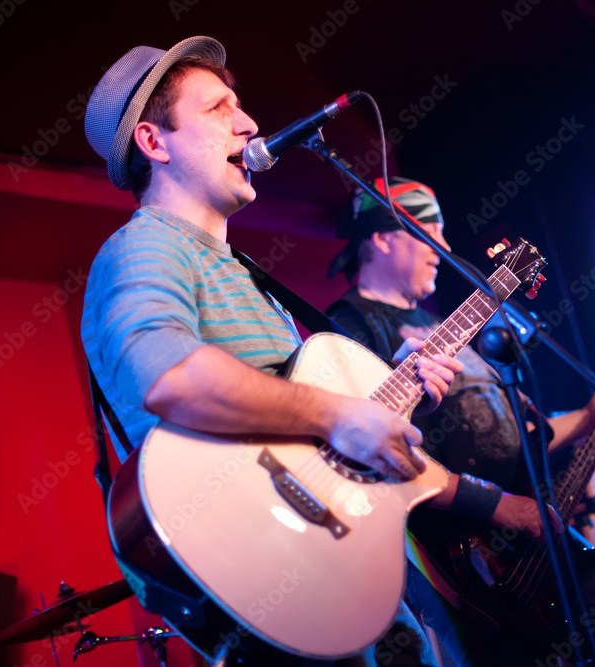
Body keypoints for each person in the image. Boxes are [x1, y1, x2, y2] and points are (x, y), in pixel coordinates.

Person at [81, 38, 463, 666]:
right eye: (218, 109)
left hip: (327, 556)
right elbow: (171, 376)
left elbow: (293, 426)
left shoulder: (238, 270)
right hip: (264, 563)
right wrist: (340, 415)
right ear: (154, 143)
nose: (251, 123)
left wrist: (386, 392)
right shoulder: (147, 246)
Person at [325, 178, 595, 666]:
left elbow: (522, 435)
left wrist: (593, 413)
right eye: (430, 230)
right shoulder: (348, 323)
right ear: (383, 237)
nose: (443, 247)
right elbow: (370, 437)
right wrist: (498, 507)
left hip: (533, 530)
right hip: (464, 556)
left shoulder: (446, 325)